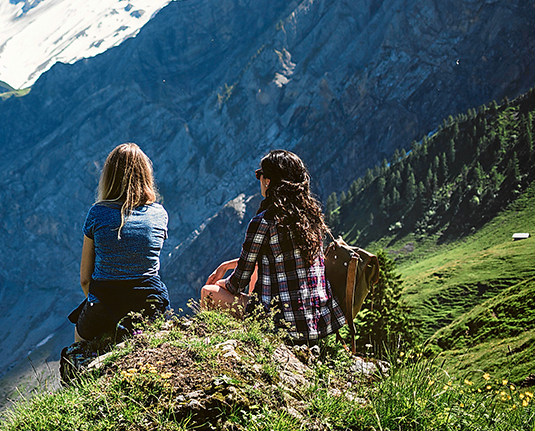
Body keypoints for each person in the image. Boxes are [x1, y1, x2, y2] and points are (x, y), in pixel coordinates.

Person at [202, 149, 345, 345]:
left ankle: (226, 346)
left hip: (283, 325)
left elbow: (238, 281)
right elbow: (283, 260)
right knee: (256, 277)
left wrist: (222, 283)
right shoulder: (311, 217)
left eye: (259, 175)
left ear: (268, 181)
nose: (259, 179)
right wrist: (227, 265)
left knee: (209, 292)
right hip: (321, 322)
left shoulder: (264, 222)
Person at [67, 143, 170, 342]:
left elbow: (85, 280)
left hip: (105, 302)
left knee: (79, 341)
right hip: (149, 302)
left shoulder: (98, 213)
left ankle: (79, 366)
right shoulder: (159, 214)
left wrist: (103, 305)